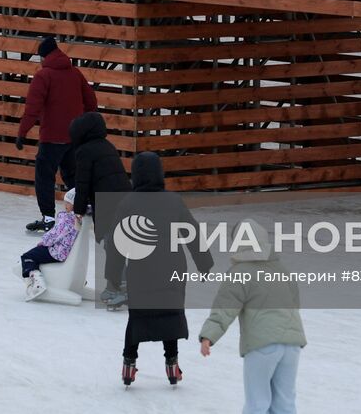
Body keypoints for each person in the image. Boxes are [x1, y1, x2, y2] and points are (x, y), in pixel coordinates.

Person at [114, 151, 214, 387]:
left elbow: (115, 240)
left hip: (140, 270)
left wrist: (114, 273)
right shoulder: (173, 201)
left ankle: (128, 366)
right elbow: (192, 232)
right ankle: (172, 365)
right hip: (171, 268)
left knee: (137, 317)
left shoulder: (127, 202)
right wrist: (204, 262)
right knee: (170, 314)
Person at [198, 220, 307, 414]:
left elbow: (225, 307)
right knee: (285, 404)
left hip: (262, 346)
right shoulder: (282, 270)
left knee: (257, 403)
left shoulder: (240, 272)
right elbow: (295, 303)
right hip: (292, 345)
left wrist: (209, 335)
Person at [17, 36, 97, 233]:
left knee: (44, 176)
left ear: (44, 56)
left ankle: (49, 218)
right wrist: (83, 125)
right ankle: (82, 209)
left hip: (51, 137)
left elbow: (32, 108)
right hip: (74, 137)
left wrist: (22, 132)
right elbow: (91, 102)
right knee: (72, 175)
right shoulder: (75, 73)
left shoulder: (43, 76)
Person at [69, 110, 132, 307]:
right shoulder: (107, 146)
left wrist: (78, 209)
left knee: (112, 245)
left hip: (109, 204)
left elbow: (83, 183)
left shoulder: (84, 152)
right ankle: (118, 285)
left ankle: (121, 285)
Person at [19, 188, 83, 301]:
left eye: (67, 203)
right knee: (36, 254)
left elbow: (55, 234)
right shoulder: (79, 219)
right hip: (65, 251)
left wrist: (44, 242)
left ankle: (37, 283)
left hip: (57, 252)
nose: (65, 205)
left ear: (74, 204)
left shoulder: (67, 219)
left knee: (28, 256)